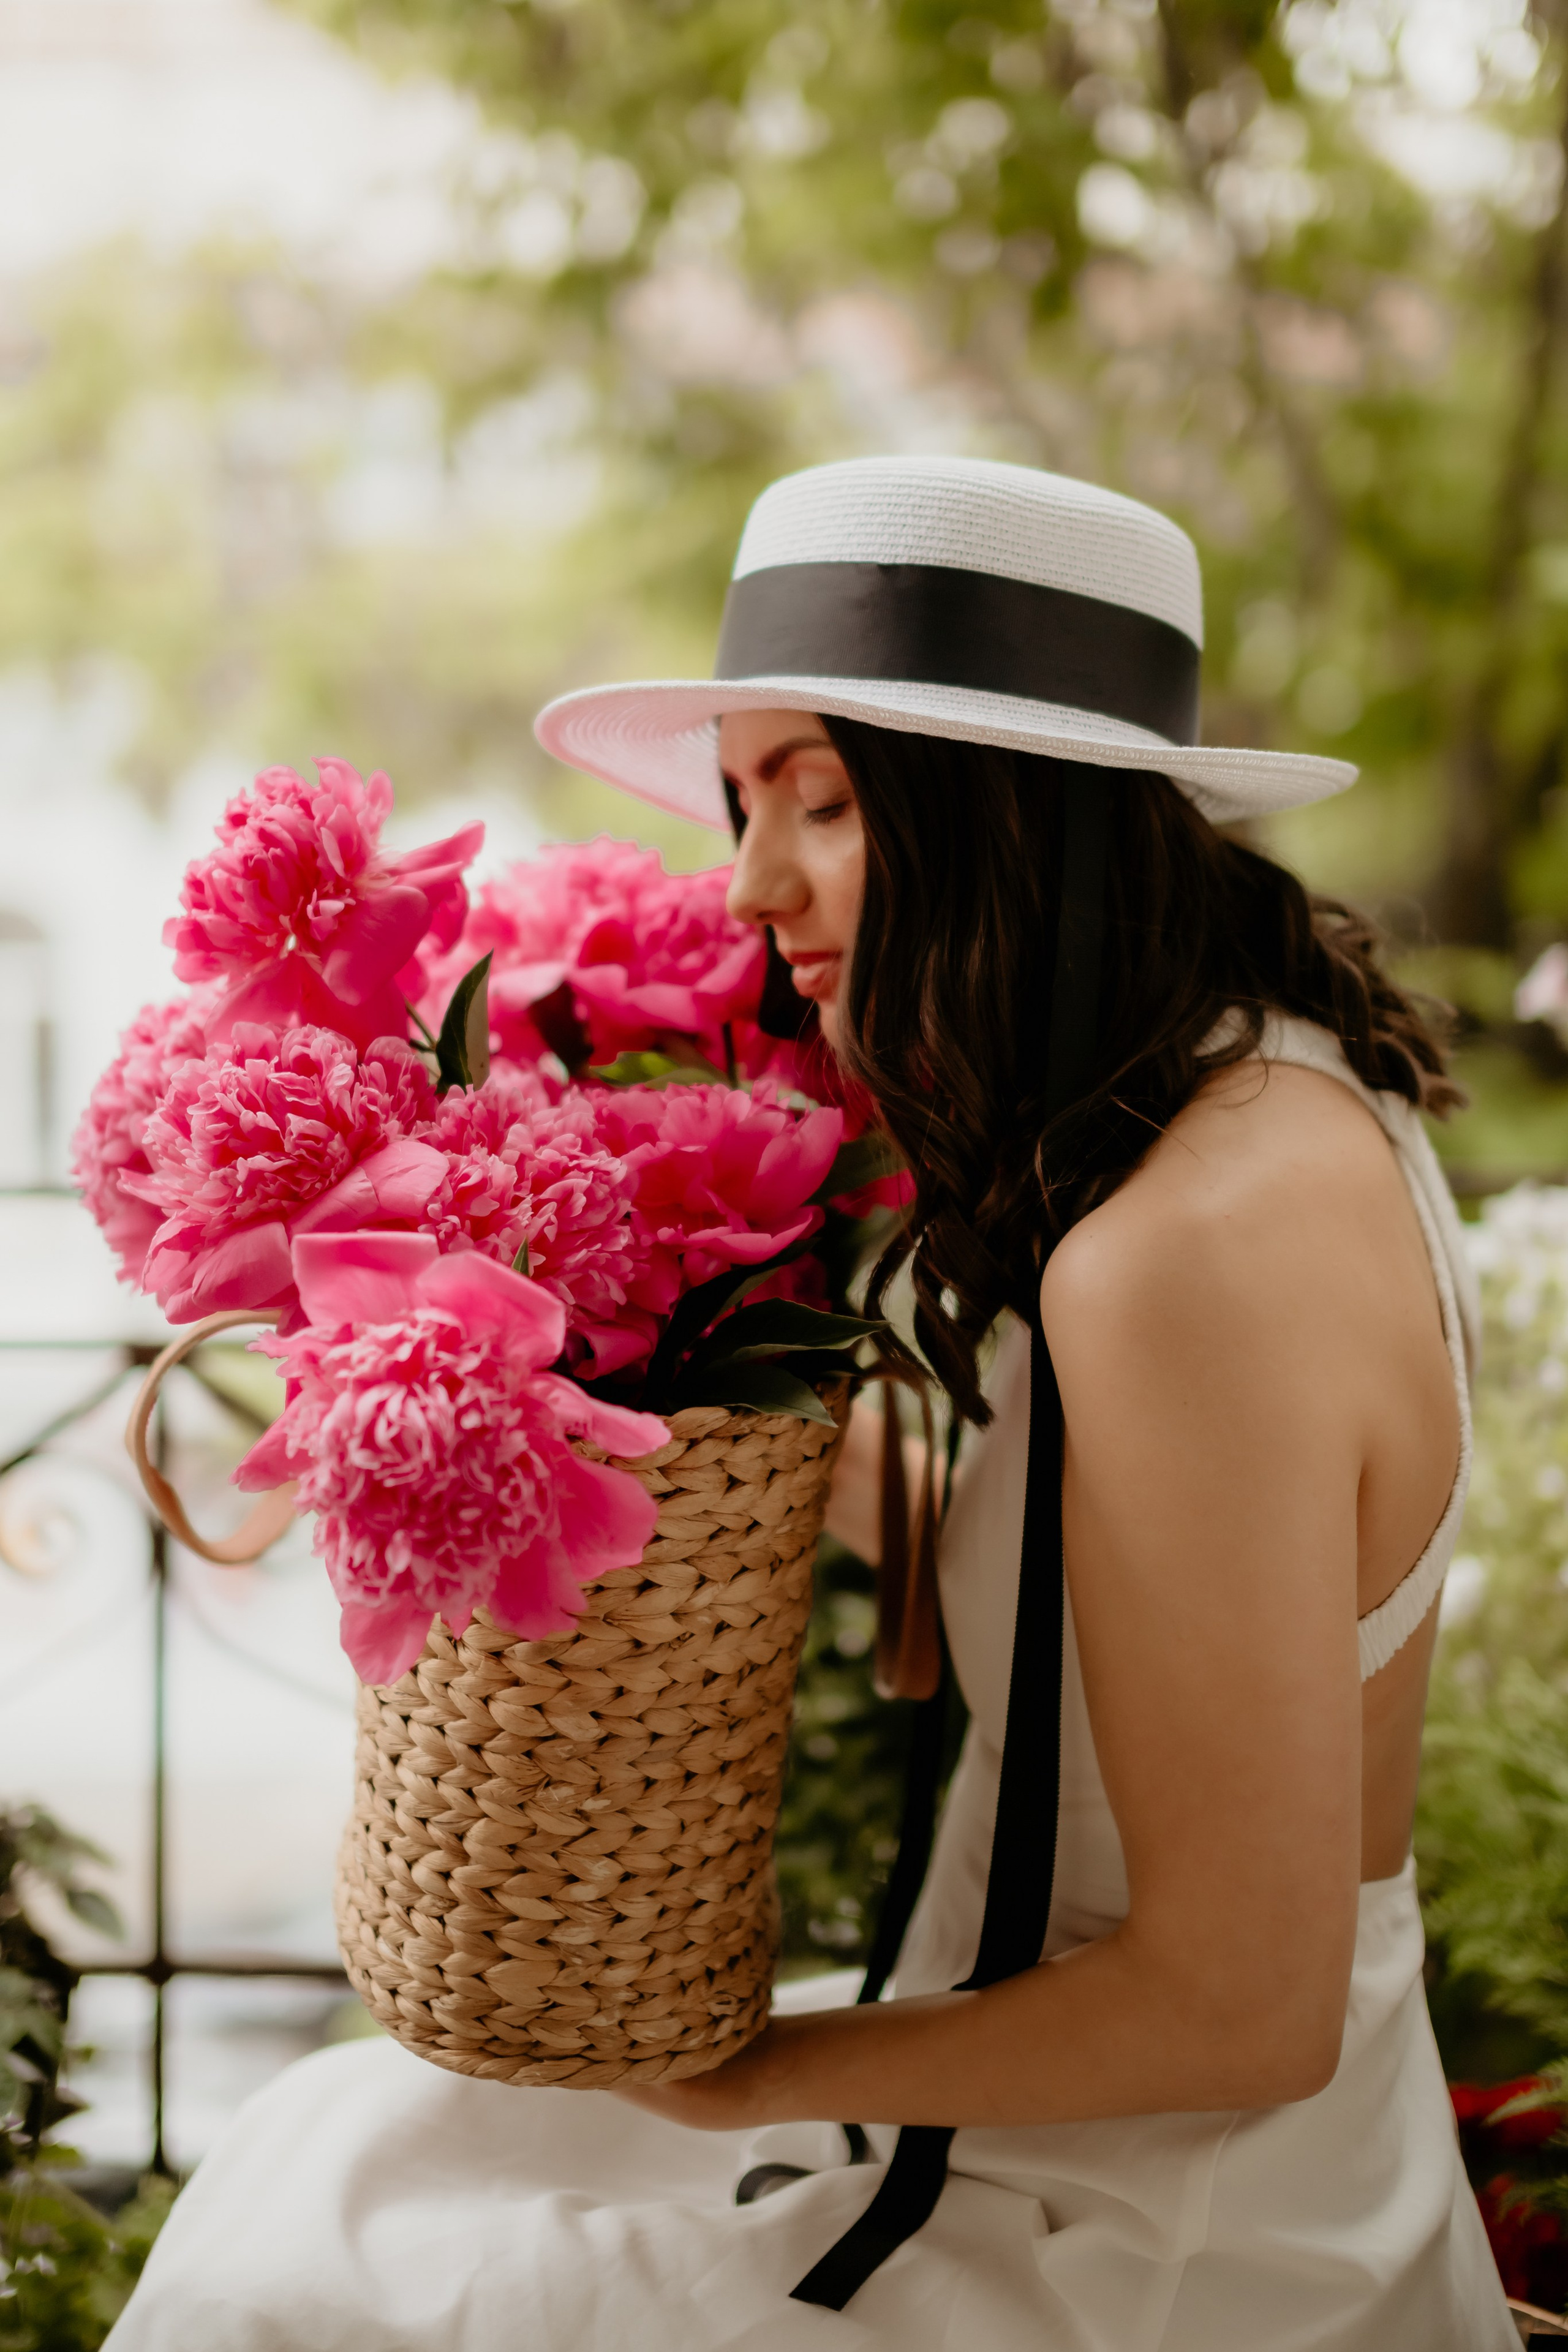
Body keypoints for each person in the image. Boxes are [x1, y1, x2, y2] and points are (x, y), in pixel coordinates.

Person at [107, 456, 1517, 2350]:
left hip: (1157, 2248)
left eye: (828, 803)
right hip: (1193, 2160)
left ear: (1020, 817)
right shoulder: (1276, 1100)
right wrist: (604, 1374)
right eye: (744, 802)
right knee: (347, 2140)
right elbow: (1120, 1581)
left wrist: (745, 2070)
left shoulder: (1184, 1253)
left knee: (300, 2261)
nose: (756, 888)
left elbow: (1242, 2002)